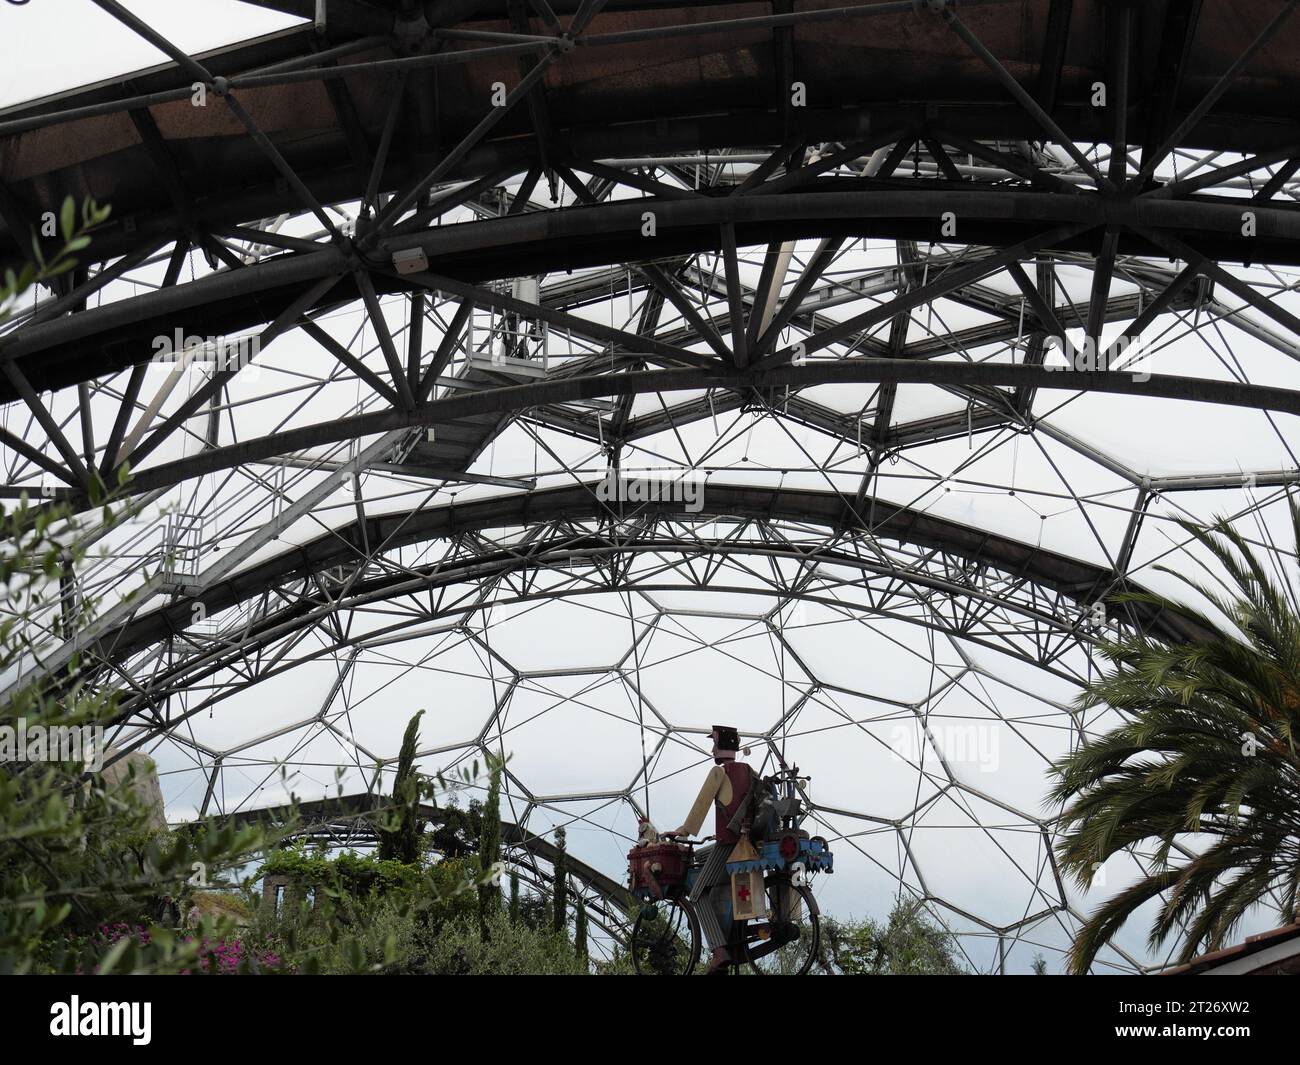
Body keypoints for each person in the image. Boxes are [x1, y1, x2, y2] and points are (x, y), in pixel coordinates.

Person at [664, 724, 753, 973]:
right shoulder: (747, 770)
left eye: (714, 743)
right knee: (697, 857)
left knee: (697, 893)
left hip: (728, 846)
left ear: (721, 744)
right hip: (743, 843)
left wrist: (682, 831)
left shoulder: (719, 772)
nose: (712, 748)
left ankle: (718, 950)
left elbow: (701, 806)